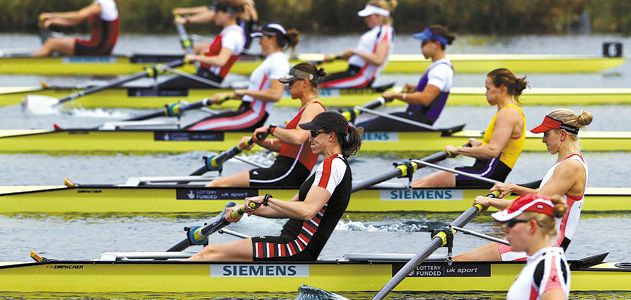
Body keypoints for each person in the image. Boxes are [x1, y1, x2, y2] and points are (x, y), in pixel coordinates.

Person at [189, 111, 363, 261]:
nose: (309, 138)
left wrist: (266, 199)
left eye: (315, 133)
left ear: (331, 136)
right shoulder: (331, 165)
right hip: (291, 244)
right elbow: (288, 209)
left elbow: (307, 211)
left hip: (295, 247)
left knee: (210, 252)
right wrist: (245, 209)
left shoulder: (333, 165)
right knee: (216, 256)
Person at [456, 109, 592, 262]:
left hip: (545, 246)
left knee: (459, 261)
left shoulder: (570, 167)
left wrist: (490, 201)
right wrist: (513, 188)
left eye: (546, 134)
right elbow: (543, 194)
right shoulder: (573, 160)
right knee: (459, 258)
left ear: (562, 134)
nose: (543, 140)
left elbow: (533, 206)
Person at [206, 63, 327, 187]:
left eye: (291, 82)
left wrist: (271, 129)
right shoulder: (306, 108)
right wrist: (258, 141)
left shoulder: (314, 107)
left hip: (288, 173)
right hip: (284, 170)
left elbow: (298, 138)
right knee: (220, 184)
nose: (288, 86)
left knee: (217, 184)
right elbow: (285, 147)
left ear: (305, 83)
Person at [412, 68, 527, 188]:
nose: (485, 93)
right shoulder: (507, 111)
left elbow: (492, 151)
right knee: (423, 182)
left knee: (431, 181)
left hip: (488, 175)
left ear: (502, 89)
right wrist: (479, 144)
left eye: (488, 88)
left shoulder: (508, 113)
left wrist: (458, 150)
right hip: (484, 170)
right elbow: (501, 146)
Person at [186, 23, 299, 131]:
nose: (259, 43)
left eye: (261, 38)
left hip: (252, 116)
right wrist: (228, 96)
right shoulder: (271, 60)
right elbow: (256, 93)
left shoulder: (278, 61)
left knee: (194, 129)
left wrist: (244, 92)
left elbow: (275, 95)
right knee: (194, 126)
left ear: (272, 39)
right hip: (245, 112)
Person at [355, 24, 455, 131]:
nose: (421, 46)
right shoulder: (439, 66)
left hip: (419, 122)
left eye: (424, 42)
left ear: (436, 44)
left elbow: (425, 99)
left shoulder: (441, 69)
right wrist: (417, 88)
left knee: (362, 127)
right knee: (367, 121)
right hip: (414, 118)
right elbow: (432, 94)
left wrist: (397, 95)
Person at [491, 194, 571, 299]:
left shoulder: (548, 266)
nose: (505, 230)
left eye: (510, 223)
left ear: (532, 226)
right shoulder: (538, 261)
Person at [159, 0, 246, 89]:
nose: (214, 15)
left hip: (210, 79)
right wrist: (204, 50)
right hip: (205, 75)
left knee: (161, 87)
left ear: (228, 14)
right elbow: (218, 51)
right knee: (167, 83)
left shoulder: (232, 35)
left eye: (217, 13)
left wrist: (195, 57)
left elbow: (221, 61)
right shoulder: (229, 31)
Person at [319, 0, 397, 89]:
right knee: (312, 81)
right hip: (352, 73)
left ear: (379, 16)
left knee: (312, 85)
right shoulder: (374, 32)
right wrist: (334, 58)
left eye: (368, 16)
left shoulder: (385, 31)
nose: (366, 19)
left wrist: (355, 52)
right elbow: (361, 58)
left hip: (361, 77)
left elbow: (378, 60)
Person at [33, 0, 119, 57]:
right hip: (105, 48)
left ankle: (29, 65)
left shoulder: (102, 3)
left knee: (51, 43)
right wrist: (53, 21)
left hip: (97, 47)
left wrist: (51, 15)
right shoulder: (106, 3)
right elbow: (76, 21)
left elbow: (79, 15)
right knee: (62, 43)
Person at [173, 0, 258, 52]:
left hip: (240, 46)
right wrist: (184, 11)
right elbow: (209, 9)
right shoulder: (226, 6)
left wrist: (187, 20)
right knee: (196, 48)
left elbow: (212, 14)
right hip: (229, 42)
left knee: (198, 49)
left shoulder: (244, 6)